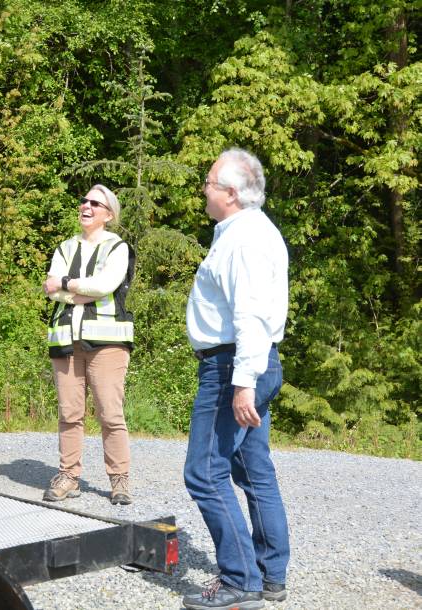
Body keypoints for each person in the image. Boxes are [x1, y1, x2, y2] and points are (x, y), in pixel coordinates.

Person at [182, 148, 290, 610]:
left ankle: (240, 582)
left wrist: (242, 381)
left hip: (233, 366)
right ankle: (269, 575)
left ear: (229, 193)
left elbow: (250, 316)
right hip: (249, 362)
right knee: (252, 468)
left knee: (205, 472)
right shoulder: (250, 231)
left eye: (208, 183)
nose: (203, 190)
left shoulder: (242, 239)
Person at [42, 185, 135, 505]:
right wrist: (80, 292)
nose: (87, 206)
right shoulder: (65, 248)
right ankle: (69, 475)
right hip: (66, 339)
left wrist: (67, 285)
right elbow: (49, 288)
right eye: (84, 201)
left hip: (108, 341)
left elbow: (105, 285)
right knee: (69, 412)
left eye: (96, 203)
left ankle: (119, 479)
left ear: (109, 214)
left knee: (110, 413)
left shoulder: (117, 247)